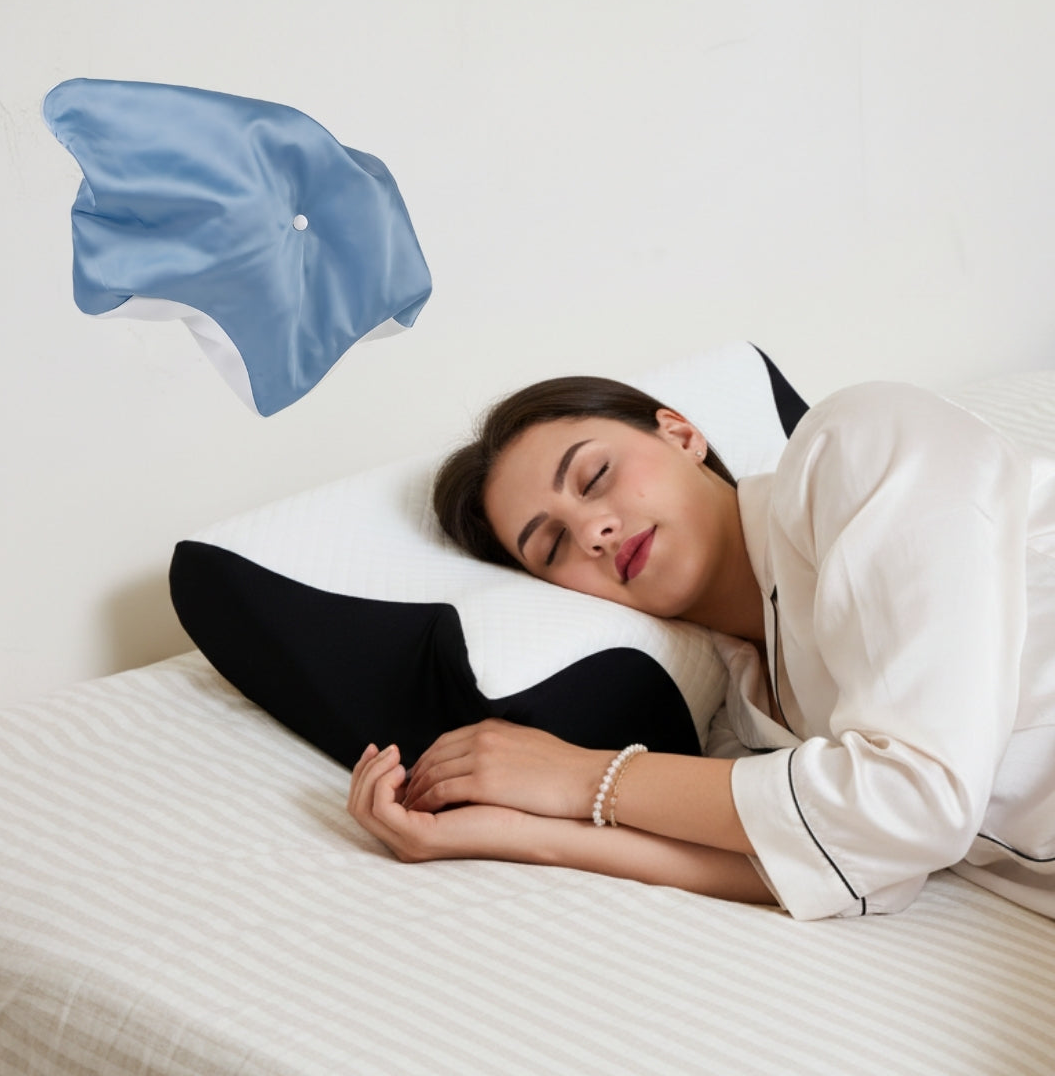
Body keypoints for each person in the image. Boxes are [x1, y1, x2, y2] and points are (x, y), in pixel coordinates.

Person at [348, 374, 1055, 920]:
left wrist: (578, 776)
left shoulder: (855, 445)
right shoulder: (739, 731)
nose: (592, 531)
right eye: (553, 546)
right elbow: (841, 867)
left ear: (681, 435)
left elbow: (916, 801)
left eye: (594, 477)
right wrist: (507, 832)